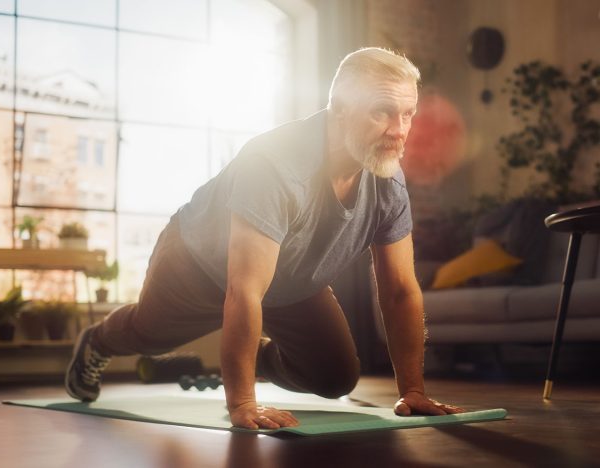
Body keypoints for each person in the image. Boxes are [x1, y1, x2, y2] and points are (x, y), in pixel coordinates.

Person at [65, 47, 464, 430]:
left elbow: (398, 290)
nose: (399, 130)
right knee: (147, 336)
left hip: (290, 279)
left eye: (408, 113)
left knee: (334, 376)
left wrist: (413, 390)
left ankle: (245, 354)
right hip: (197, 264)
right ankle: (98, 341)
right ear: (340, 109)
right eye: (382, 112)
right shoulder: (275, 162)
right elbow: (244, 290)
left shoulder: (386, 176)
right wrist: (242, 402)